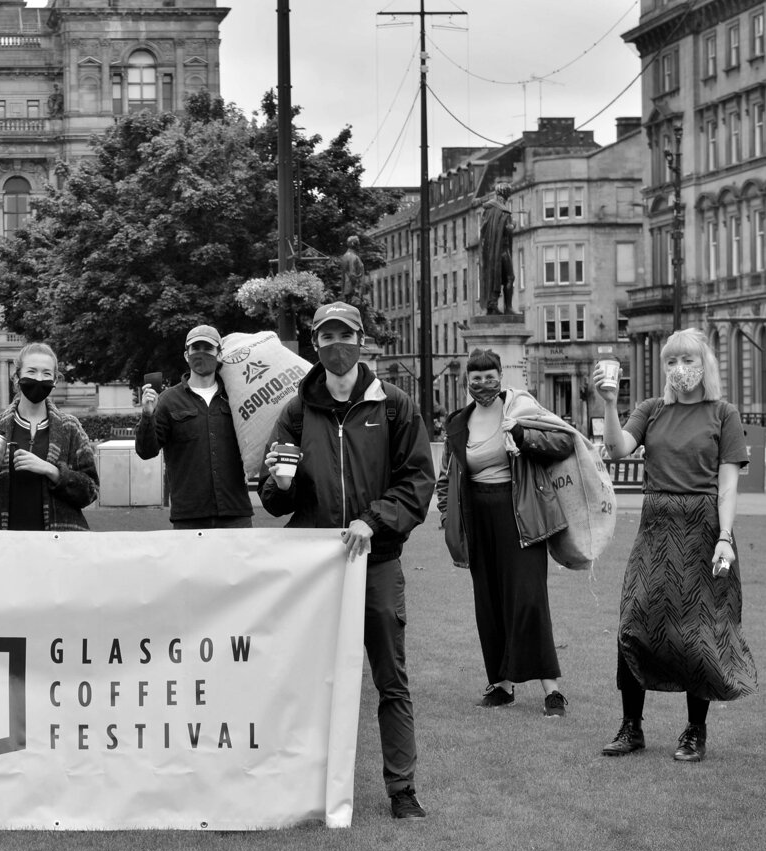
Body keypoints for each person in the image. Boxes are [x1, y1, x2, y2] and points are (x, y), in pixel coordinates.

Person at [258, 301, 434, 820]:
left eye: (346, 335)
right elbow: (275, 497)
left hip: (375, 561)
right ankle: (301, 785)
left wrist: (372, 520)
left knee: (390, 679)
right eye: (327, 336)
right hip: (315, 567)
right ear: (315, 344)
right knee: (306, 680)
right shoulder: (295, 410)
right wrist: (279, 483)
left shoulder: (395, 404)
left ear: (361, 340)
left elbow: (417, 481)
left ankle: (402, 789)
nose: (337, 345)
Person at [595, 328, 756, 762]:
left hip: (704, 527)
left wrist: (724, 537)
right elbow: (615, 449)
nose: (677, 369)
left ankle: (694, 732)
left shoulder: (724, 413)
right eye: (670, 361)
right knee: (633, 622)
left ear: (704, 363)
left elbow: (726, 486)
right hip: (656, 525)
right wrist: (609, 404)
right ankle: (632, 727)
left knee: (699, 629)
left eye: (686, 359)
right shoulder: (652, 410)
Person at [436, 348, 573, 716]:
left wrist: (523, 434)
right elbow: (447, 476)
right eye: (476, 378)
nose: (483, 384)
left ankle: (552, 690)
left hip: (519, 515)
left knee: (528, 599)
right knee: (489, 602)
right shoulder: (457, 423)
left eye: (489, 376)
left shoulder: (520, 408)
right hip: (476, 518)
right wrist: (449, 515)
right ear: (468, 381)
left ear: (501, 375)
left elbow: (564, 441)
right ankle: (502, 685)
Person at [136, 324, 253, 529]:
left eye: (207, 348)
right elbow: (146, 451)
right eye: (195, 348)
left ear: (219, 354)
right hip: (189, 516)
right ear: (186, 354)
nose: (201, 353)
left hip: (235, 512)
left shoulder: (236, 395)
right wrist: (147, 415)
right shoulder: (167, 400)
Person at [0, 343, 98, 530]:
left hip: (61, 544)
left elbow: (90, 491)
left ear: (55, 380)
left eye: (46, 374)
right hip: (9, 544)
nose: (39, 379)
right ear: (17, 377)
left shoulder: (70, 427)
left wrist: (52, 471)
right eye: (31, 371)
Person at [479, 183, 514, 314]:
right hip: (502, 249)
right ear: (504, 196)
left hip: (492, 250)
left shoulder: (488, 209)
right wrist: (512, 226)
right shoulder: (502, 210)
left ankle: (493, 303)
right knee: (510, 277)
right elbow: (506, 229)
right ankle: (507, 307)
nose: (507, 199)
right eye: (507, 196)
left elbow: (484, 229)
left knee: (496, 277)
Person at [340, 236, 366, 306]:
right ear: (353, 244)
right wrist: (358, 291)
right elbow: (352, 274)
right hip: (353, 293)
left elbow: (343, 276)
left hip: (346, 291)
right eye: (357, 243)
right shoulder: (353, 256)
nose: (359, 245)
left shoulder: (345, 256)